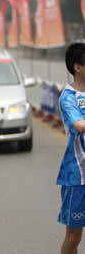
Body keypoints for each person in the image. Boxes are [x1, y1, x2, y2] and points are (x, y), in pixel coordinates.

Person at [58, 42, 85, 254]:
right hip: (78, 176)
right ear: (78, 67)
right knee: (74, 237)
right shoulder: (68, 98)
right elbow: (79, 125)